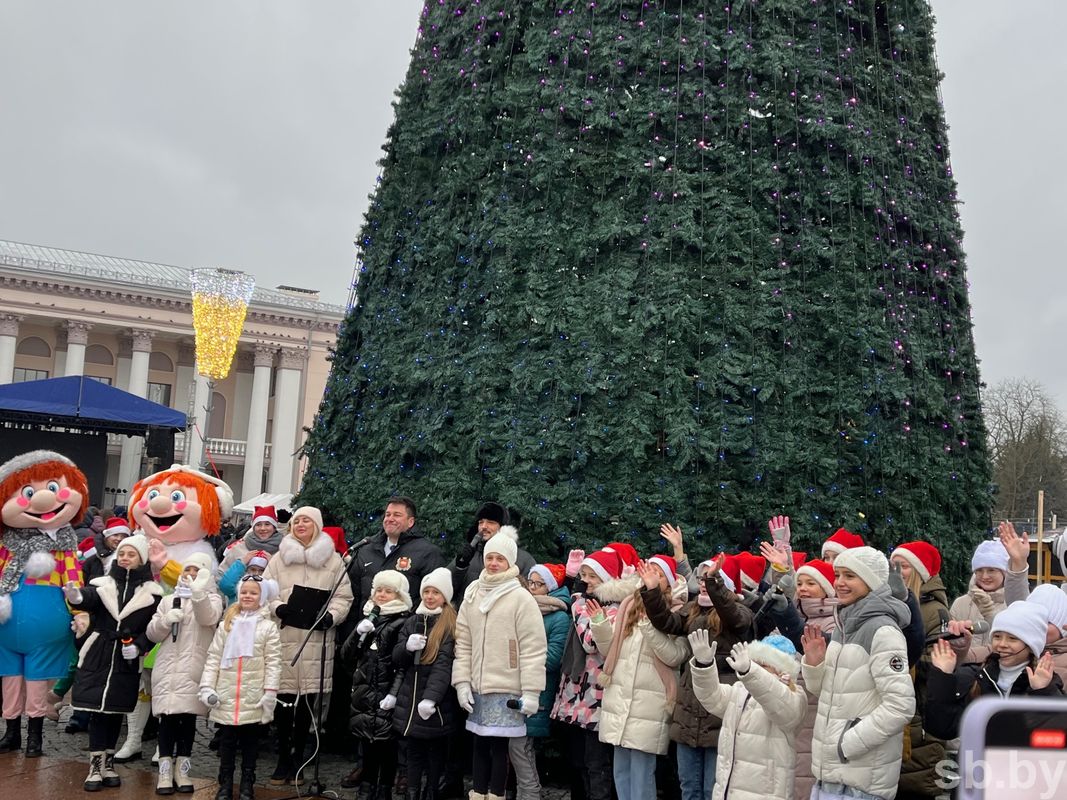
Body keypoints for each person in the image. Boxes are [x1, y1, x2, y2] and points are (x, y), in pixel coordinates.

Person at [800, 546, 915, 800]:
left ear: (871, 580)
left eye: (849, 576)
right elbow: (831, 695)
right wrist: (815, 664)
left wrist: (846, 744)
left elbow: (901, 705)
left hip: (859, 781)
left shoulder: (883, 630)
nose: (839, 583)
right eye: (838, 575)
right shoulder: (844, 624)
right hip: (829, 775)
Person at [639, 552, 754, 800]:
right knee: (689, 787)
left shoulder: (741, 612)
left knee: (714, 788)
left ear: (725, 585)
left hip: (719, 714)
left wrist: (715, 586)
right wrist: (651, 592)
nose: (702, 582)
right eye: (702, 578)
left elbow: (733, 615)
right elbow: (666, 623)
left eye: (710, 578)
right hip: (689, 712)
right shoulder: (693, 610)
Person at [262, 506, 354, 785]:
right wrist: (277, 608)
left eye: (306, 520)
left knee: (305, 708)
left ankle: (300, 759)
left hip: (315, 641)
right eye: (296, 521)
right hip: (284, 638)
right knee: (283, 703)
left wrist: (331, 616)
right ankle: (282, 761)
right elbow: (263, 590)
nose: (300, 524)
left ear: (317, 526)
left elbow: (344, 597)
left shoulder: (334, 561)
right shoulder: (278, 559)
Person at [64, 534, 163, 791]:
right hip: (99, 650)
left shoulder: (152, 594)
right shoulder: (103, 584)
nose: (125, 558)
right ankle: (95, 766)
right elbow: (89, 598)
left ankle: (109, 762)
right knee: (97, 710)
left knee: (115, 710)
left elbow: (151, 630)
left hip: (125, 655)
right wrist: (75, 597)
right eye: (122, 554)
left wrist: (140, 646)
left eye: (131, 554)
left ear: (141, 558)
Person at [452, 533, 547, 800]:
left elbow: (533, 648)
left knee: (499, 749)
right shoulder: (473, 592)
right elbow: (464, 641)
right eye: (489, 558)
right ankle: (478, 794)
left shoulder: (521, 597)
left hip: (507, 685)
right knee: (478, 746)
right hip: (478, 685)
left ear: (510, 562)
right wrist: (461, 682)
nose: (493, 563)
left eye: (500, 559)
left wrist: (531, 692)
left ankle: (496, 795)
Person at [590, 558, 688, 800]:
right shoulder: (628, 605)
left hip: (650, 703)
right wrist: (600, 624)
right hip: (621, 698)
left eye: (659, 575)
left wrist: (649, 627)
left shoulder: (677, 610)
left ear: (669, 582)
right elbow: (609, 650)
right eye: (648, 572)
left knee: (642, 775)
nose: (650, 578)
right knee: (621, 772)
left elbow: (675, 656)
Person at [688, 630, 808, 800]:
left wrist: (750, 672)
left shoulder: (794, 695)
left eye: (763, 664)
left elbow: (781, 705)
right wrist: (704, 665)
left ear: (782, 669)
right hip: (728, 791)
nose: (756, 667)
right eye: (755, 662)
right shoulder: (740, 690)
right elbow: (712, 697)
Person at [551, 549, 630, 800]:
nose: (586, 581)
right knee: (576, 761)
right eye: (583, 575)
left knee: (597, 763)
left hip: (597, 696)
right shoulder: (585, 601)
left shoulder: (615, 608)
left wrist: (578, 606)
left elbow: (590, 642)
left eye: (592, 576)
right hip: (574, 694)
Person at [926, 601, 1063, 742]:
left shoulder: (1044, 680)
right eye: (997, 636)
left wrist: (1042, 691)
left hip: (1025, 763)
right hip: (977, 761)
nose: (1002, 644)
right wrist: (942, 675)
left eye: (1012, 638)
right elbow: (942, 728)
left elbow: (1058, 733)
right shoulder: (976, 676)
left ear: (1031, 645)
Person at [145, 553, 224, 794]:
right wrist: (165, 621)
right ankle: (165, 771)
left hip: (193, 668)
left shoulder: (213, 599)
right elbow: (152, 633)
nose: (190, 575)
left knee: (188, 720)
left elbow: (208, 617)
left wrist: (198, 593)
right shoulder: (169, 600)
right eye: (187, 570)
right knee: (167, 720)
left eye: (196, 571)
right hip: (168, 668)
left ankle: (183, 769)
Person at [200, 575, 283, 800]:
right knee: (226, 742)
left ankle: (248, 782)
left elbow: (273, 662)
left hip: (253, 694)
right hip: (226, 693)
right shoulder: (227, 624)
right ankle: (225, 783)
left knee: (250, 743)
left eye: (253, 593)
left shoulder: (268, 627)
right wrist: (207, 686)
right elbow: (214, 657)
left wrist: (270, 692)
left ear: (262, 597)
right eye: (244, 592)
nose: (248, 596)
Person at [341, 570, 413, 799]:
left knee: (387, 746)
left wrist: (393, 694)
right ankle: (366, 788)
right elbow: (346, 656)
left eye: (388, 591)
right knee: (368, 744)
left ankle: (383, 789)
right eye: (379, 590)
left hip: (386, 693)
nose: (382, 595)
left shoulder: (402, 622)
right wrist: (357, 633)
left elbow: (402, 664)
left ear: (399, 595)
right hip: (364, 694)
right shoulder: (368, 618)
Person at [390, 567, 459, 800]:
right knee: (413, 751)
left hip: (434, 702)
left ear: (445, 596)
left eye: (435, 593)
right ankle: (412, 792)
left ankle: (431, 792)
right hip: (410, 700)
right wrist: (407, 648)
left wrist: (431, 698)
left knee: (435, 753)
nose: (430, 597)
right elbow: (397, 659)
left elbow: (443, 666)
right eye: (426, 592)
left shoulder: (449, 625)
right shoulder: (412, 622)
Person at [889, 541, 949, 798]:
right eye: (893, 566)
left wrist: (895, 660)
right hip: (893, 710)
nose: (896, 572)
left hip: (919, 717)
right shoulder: (887, 605)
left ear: (918, 571)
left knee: (915, 788)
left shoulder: (935, 611)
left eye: (903, 566)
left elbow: (936, 661)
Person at [519, 563, 571, 800]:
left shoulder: (558, 616)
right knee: (516, 747)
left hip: (539, 688)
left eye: (538, 584)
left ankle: (530, 794)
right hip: (517, 686)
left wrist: (519, 657)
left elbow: (552, 658)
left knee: (522, 748)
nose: (532, 588)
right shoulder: (523, 608)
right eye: (530, 582)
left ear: (550, 587)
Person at [451, 502, 535, 602]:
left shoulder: (523, 559)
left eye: (490, 522)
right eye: (481, 522)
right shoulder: (469, 555)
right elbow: (445, 590)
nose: (484, 527)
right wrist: (461, 566)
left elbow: (530, 597)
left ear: (503, 527)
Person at [948, 539, 1009, 648]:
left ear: (1004, 572)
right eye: (979, 570)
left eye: (991, 570)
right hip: (961, 663)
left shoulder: (1012, 604)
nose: (985, 576)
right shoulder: (960, 603)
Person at [217, 506, 285, 574]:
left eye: (267, 524)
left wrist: (273, 565)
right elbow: (221, 575)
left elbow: (289, 580)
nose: (263, 528)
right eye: (258, 525)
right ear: (253, 527)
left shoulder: (284, 551)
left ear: (274, 527)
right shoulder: (238, 548)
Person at [82, 517, 133, 583]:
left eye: (124, 536)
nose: (119, 539)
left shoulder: (130, 559)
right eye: (115, 535)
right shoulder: (93, 558)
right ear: (107, 537)